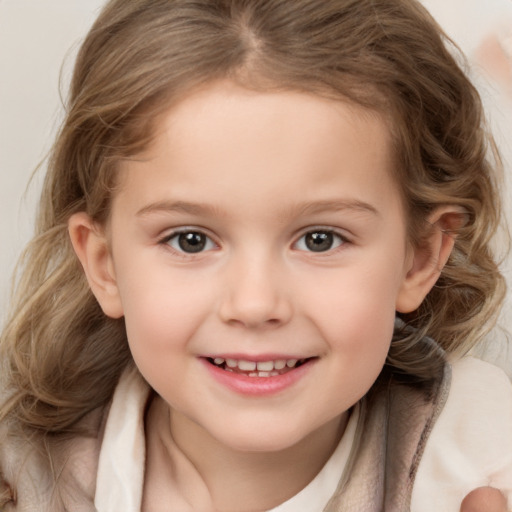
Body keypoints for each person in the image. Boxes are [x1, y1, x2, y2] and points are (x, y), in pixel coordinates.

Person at [0, 0, 511, 510]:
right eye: (190, 240)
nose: (254, 303)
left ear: (419, 258)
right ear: (105, 266)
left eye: (320, 239)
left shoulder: (480, 460)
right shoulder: (22, 478)